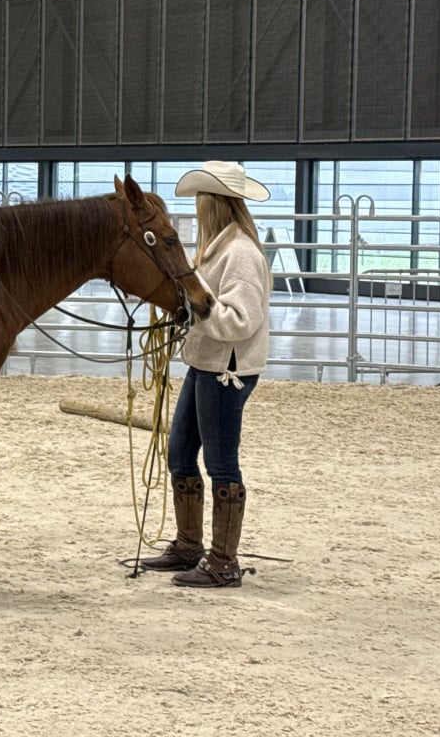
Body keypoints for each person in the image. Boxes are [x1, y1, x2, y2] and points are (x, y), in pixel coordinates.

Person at [141, 160, 271, 589]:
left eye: (201, 200)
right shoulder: (219, 247)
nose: (197, 207)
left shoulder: (242, 255)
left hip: (225, 369)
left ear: (213, 204)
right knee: (180, 452)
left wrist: (197, 305)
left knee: (221, 462)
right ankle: (189, 544)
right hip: (206, 363)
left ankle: (223, 560)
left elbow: (241, 320)